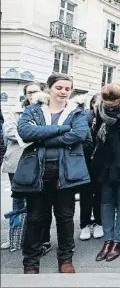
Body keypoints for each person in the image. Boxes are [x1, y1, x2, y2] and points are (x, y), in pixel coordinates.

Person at [14, 73, 91, 274]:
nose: (63, 92)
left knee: (65, 218)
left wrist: (43, 135)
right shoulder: (33, 109)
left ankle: (65, 260)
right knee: (35, 218)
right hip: (36, 172)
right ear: (49, 88)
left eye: (67, 88)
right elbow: (25, 132)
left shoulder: (77, 112)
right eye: (59, 88)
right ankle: (31, 262)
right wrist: (62, 129)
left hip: (66, 173)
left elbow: (79, 135)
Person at [91, 84, 120, 262]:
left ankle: (117, 240)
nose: (110, 106)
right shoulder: (99, 109)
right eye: (107, 102)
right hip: (105, 159)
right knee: (106, 201)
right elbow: (95, 132)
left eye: (113, 102)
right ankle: (107, 239)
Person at [1, 82, 50, 254]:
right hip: (16, 161)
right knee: (17, 201)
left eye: (35, 91)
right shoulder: (15, 111)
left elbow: (48, 131)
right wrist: (33, 135)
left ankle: (39, 239)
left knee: (39, 202)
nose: (32, 95)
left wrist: (30, 134)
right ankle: (15, 236)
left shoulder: (47, 111)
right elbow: (8, 132)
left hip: (39, 162)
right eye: (29, 92)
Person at [79, 94, 103, 242]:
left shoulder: (108, 119)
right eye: (97, 103)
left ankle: (99, 222)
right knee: (86, 195)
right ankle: (85, 224)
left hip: (102, 163)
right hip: (86, 162)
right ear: (92, 104)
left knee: (100, 194)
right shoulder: (85, 119)